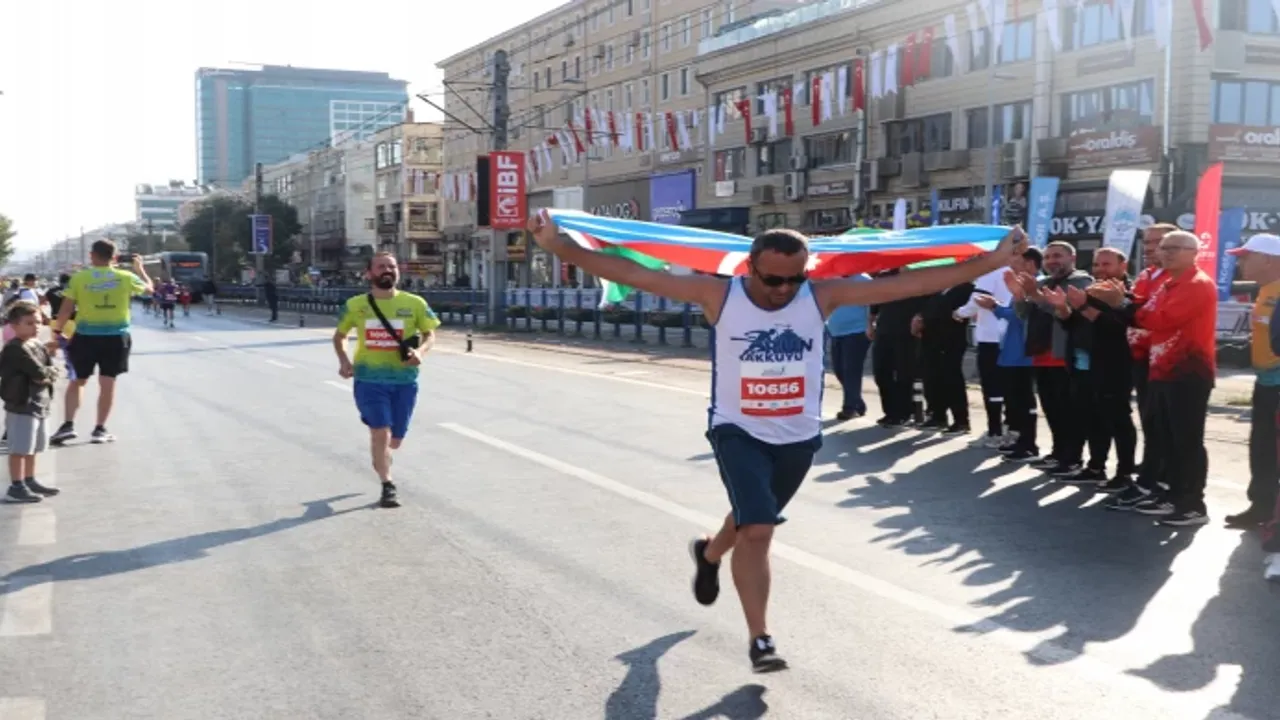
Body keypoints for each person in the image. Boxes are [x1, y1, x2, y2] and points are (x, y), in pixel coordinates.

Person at [526, 209, 1027, 671]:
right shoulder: (718, 295)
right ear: (750, 268)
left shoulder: (822, 296)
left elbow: (912, 283)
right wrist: (557, 246)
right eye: (773, 280)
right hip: (737, 431)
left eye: (795, 278)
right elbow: (634, 274)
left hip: (798, 436)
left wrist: (994, 259)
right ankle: (760, 639)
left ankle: (709, 554)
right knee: (760, 528)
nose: (784, 290)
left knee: (751, 518)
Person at [1087, 230, 1217, 525]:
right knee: (1166, 438)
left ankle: (1192, 504)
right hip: (1161, 369)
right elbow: (1145, 310)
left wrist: (1121, 303)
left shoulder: (1196, 284)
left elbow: (1158, 319)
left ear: (1194, 253)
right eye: (1164, 248)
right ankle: (1171, 495)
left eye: (1174, 248)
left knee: (1186, 440)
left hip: (1188, 372)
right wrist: (1120, 300)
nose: (1166, 253)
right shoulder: (1168, 284)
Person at [332, 252, 439, 509]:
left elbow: (430, 334)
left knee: (395, 439)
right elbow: (340, 336)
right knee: (380, 431)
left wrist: (420, 352)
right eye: (381, 267)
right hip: (369, 379)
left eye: (391, 266)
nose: (387, 270)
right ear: (369, 273)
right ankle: (387, 484)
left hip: (404, 380)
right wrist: (344, 360)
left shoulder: (415, 303)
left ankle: (383, 458)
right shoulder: (356, 305)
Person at [1045, 248, 1137, 487]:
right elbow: (1072, 325)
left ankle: (1125, 473)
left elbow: (1120, 327)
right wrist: (1062, 308)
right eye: (1096, 265)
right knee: (1092, 419)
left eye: (1106, 264)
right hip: (1082, 365)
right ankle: (1096, 466)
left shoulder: (1128, 293)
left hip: (1114, 368)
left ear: (1123, 266)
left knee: (1118, 421)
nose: (1100, 270)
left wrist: (1086, 308)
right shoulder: (1091, 290)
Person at [49, 240, 153, 445]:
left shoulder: (79, 278)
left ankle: (68, 425)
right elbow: (150, 290)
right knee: (108, 382)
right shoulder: (126, 277)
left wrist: (57, 333)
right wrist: (140, 269)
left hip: (85, 337)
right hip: (116, 337)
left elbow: (66, 309)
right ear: (114, 257)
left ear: (92, 255)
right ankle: (99, 429)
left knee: (77, 381)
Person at [1223, 233, 1280, 528]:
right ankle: (1261, 507)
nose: (1240, 263)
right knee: (1261, 448)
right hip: (1265, 383)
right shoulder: (1265, 291)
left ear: (1267, 260)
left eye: (1246, 257)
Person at [0, 302, 60, 503]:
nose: (36, 327)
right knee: (20, 448)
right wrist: (47, 374)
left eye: (38, 322)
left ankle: (29, 480)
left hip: (39, 402)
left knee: (33, 447)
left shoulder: (36, 345)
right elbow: (39, 373)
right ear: (14, 325)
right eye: (29, 323)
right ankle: (16, 486)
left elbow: (48, 371)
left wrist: (47, 374)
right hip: (22, 403)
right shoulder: (15, 348)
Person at [992, 247, 1043, 462]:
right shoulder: (1020, 286)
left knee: (1024, 400)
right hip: (1012, 352)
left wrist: (995, 308)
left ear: (1029, 264)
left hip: (1024, 354)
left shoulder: (1039, 285)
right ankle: (1018, 439)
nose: (1010, 265)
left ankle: (1029, 444)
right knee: (1013, 400)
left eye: (1016, 261)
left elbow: (1020, 316)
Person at [955, 267, 1013, 447]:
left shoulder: (991, 272)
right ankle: (1009, 428)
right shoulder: (1017, 270)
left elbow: (977, 299)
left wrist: (959, 313)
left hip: (990, 337)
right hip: (1011, 337)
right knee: (1010, 387)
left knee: (991, 386)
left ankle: (995, 431)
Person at [826, 273, 871, 421]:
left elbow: (871, 306)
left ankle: (850, 408)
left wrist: (870, 326)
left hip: (857, 331)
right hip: (836, 332)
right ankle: (857, 402)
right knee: (839, 370)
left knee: (851, 370)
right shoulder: (833, 280)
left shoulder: (864, 280)